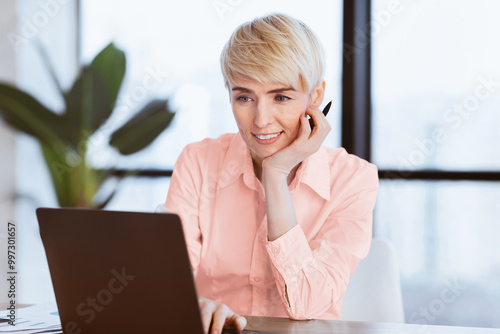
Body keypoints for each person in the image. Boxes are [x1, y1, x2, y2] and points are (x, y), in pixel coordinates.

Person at [164, 13, 378, 334]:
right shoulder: (198, 162)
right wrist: (192, 305)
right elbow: (166, 283)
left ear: (315, 97)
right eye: (244, 97)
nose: (261, 120)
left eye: (281, 97)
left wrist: (274, 175)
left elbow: (307, 304)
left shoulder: (353, 179)